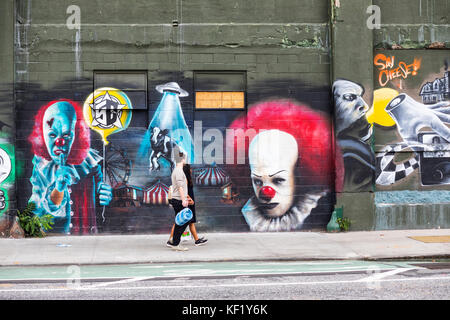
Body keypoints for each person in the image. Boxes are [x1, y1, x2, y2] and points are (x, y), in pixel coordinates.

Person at [166, 148, 191, 251]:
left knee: (180, 221)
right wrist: (184, 200)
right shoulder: (179, 171)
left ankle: (174, 241)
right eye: (185, 159)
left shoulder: (176, 170)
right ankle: (176, 243)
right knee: (181, 222)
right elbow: (180, 187)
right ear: (182, 160)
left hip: (177, 199)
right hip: (179, 200)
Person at [183, 164, 207, 246]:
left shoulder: (188, 179)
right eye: (190, 169)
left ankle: (197, 240)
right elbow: (184, 192)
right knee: (181, 223)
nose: (191, 170)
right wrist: (190, 200)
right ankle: (172, 240)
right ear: (187, 170)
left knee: (190, 222)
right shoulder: (185, 179)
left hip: (190, 203)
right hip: (188, 203)